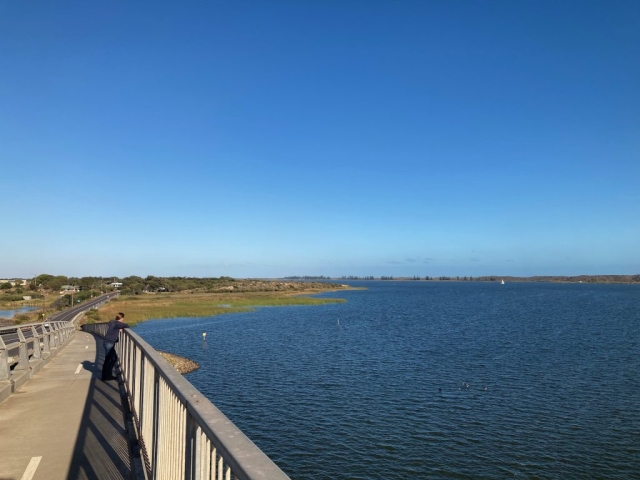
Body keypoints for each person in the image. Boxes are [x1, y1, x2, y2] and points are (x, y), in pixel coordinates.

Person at [101, 312, 129, 381]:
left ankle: (108, 375)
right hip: (109, 343)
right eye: (123, 319)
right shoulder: (117, 323)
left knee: (113, 358)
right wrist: (120, 327)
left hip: (107, 342)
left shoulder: (112, 322)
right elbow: (127, 325)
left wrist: (117, 329)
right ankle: (105, 376)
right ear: (122, 318)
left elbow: (111, 324)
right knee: (108, 360)